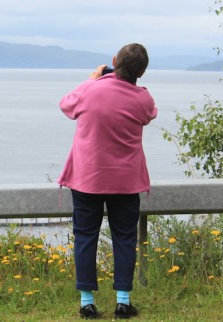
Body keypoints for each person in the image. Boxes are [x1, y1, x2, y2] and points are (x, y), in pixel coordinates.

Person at [58, 43, 157, 319]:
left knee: (85, 238)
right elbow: (150, 114)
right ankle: (123, 302)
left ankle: (87, 302)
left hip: (87, 178)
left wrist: (92, 79)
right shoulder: (142, 99)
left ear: (114, 61)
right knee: (125, 238)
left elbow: (66, 103)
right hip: (126, 181)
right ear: (143, 72)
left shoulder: (90, 90)